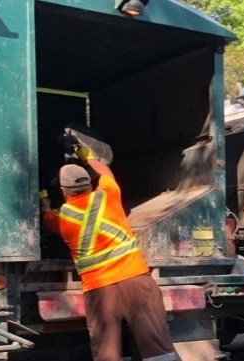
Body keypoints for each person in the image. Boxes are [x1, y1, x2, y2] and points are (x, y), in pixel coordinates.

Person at [40, 143, 177, 361]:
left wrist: (42, 197)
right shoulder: (108, 194)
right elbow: (106, 173)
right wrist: (89, 157)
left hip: (99, 288)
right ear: (89, 183)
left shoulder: (60, 218)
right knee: (157, 345)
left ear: (63, 191)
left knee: (106, 351)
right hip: (135, 279)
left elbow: (46, 215)